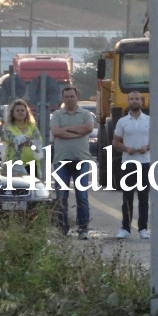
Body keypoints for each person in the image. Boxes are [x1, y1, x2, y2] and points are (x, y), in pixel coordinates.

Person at [50, 86, 95, 239]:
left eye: (72, 96)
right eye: (67, 96)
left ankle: (83, 229)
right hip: (61, 161)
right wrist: (76, 132)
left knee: (82, 195)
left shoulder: (86, 114)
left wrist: (66, 131)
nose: (69, 99)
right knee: (61, 196)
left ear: (77, 97)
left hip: (81, 160)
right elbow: (56, 132)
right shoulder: (56, 115)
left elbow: (88, 129)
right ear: (63, 98)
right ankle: (63, 228)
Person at [113, 91, 151, 239]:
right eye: (131, 99)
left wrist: (147, 148)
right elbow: (115, 141)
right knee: (127, 197)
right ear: (128, 101)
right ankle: (125, 228)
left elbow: (156, 140)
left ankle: (143, 228)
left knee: (143, 197)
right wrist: (125, 148)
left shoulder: (149, 120)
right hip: (128, 162)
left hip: (144, 162)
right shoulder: (122, 121)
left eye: (137, 99)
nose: (134, 101)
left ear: (141, 102)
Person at [1, 98, 44, 178]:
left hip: (31, 164)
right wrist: (27, 140)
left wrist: (27, 141)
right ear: (12, 113)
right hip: (14, 165)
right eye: (17, 110)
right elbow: (14, 139)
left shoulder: (32, 126)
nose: (20, 112)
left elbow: (38, 140)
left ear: (26, 112)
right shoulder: (8, 127)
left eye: (22, 110)